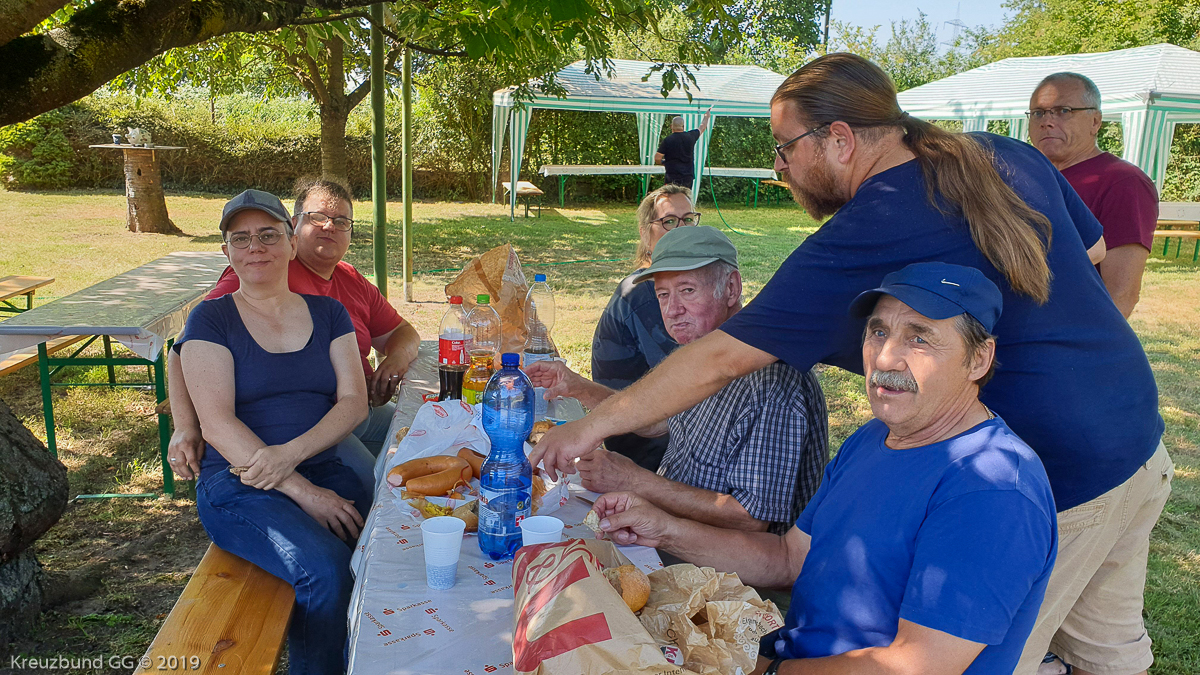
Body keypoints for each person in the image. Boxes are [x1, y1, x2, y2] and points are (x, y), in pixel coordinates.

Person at [532, 53, 1173, 675]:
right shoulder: (999, 152)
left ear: (839, 139)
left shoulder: (869, 226)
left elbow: (720, 358)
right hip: (1137, 431)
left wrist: (589, 426)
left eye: (785, 147)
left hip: (1057, 476)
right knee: (1110, 652)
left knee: (1000, 654)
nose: (780, 166)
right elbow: (1092, 252)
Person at [590, 262, 1057, 675]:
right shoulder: (874, 438)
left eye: (919, 338)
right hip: (788, 653)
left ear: (979, 359)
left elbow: (916, 666)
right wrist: (662, 528)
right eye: (878, 332)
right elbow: (788, 559)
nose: (885, 358)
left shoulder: (992, 490)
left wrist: (769, 672)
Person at [174, 190, 370, 675]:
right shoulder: (211, 318)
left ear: (290, 243)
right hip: (240, 484)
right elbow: (217, 424)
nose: (254, 247)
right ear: (226, 251)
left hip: (323, 467)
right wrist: (302, 490)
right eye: (240, 238)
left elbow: (354, 402)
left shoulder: (328, 314)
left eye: (267, 235)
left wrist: (292, 455)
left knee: (382, 550)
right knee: (325, 571)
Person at [534, 226, 827, 534]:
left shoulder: (771, 382)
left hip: (716, 560)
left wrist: (633, 480)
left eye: (687, 290)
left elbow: (750, 518)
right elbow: (655, 420)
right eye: (663, 295)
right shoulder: (698, 349)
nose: (672, 310)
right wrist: (579, 387)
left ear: (731, 288)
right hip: (667, 526)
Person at [168, 179, 420, 491]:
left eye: (341, 221)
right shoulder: (263, 271)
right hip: (312, 422)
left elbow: (404, 332)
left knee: (425, 437)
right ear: (294, 227)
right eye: (318, 217)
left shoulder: (350, 278)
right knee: (379, 488)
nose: (329, 227)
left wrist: (394, 360)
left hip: (358, 407)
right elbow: (185, 345)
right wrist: (185, 425)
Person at [1028, 72, 1158, 317]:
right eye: (1038, 113)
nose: (1046, 122)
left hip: (1067, 329)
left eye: (1063, 111)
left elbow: (1121, 295)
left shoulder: (1123, 182)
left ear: (1095, 121)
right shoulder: (1025, 177)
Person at [591, 184, 699, 470]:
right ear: (645, 233)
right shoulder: (646, 293)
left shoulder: (669, 286)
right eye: (669, 221)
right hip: (647, 447)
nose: (682, 230)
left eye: (688, 219)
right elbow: (692, 380)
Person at [655, 111, 712, 188]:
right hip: (687, 177)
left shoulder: (667, 140)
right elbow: (702, 127)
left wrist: (663, 162)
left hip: (671, 176)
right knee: (685, 195)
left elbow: (657, 158)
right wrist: (706, 116)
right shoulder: (691, 136)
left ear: (671, 126)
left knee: (672, 195)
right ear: (683, 126)